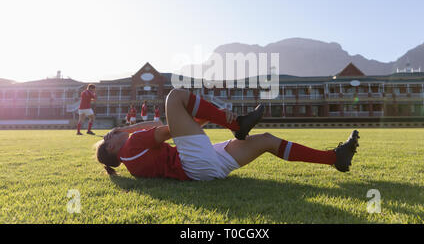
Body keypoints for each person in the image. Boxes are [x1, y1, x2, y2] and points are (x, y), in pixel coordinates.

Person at [95, 89, 359, 180]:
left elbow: (184, 129)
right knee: (175, 97)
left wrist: (212, 116)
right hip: (193, 165)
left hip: (202, 164)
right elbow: (172, 129)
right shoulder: (131, 146)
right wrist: (127, 129)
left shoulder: (131, 160)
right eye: (108, 137)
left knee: (266, 139)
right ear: (112, 151)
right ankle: (238, 125)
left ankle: (335, 158)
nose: (111, 133)